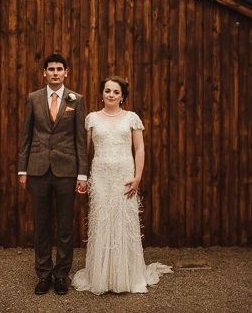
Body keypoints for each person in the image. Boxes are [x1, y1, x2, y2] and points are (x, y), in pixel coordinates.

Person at [71, 75, 172, 295]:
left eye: (116, 92)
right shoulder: (92, 119)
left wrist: (138, 177)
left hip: (124, 178)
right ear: (102, 93)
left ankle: (127, 277)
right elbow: (83, 151)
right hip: (100, 177)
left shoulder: (132, 118)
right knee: (102, 223)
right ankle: (102, 277)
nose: (111, 95)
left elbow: (140, 149)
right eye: (107, 91)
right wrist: (81, 176)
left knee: (123, 224)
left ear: (123, 96)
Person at [18, 54, 88, 295]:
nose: (55, 73)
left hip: (66, 171)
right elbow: (26, 136)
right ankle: (44, 274)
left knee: (66, 227)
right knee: (41, 225)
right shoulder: (33, 99)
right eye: (51, 69)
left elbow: (81, 140)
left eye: (60, 69)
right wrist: (23, 169)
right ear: (44, 73)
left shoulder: (75, 100)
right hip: (37, 170)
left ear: (66, 72)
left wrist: (82, 174)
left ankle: (61, 275)